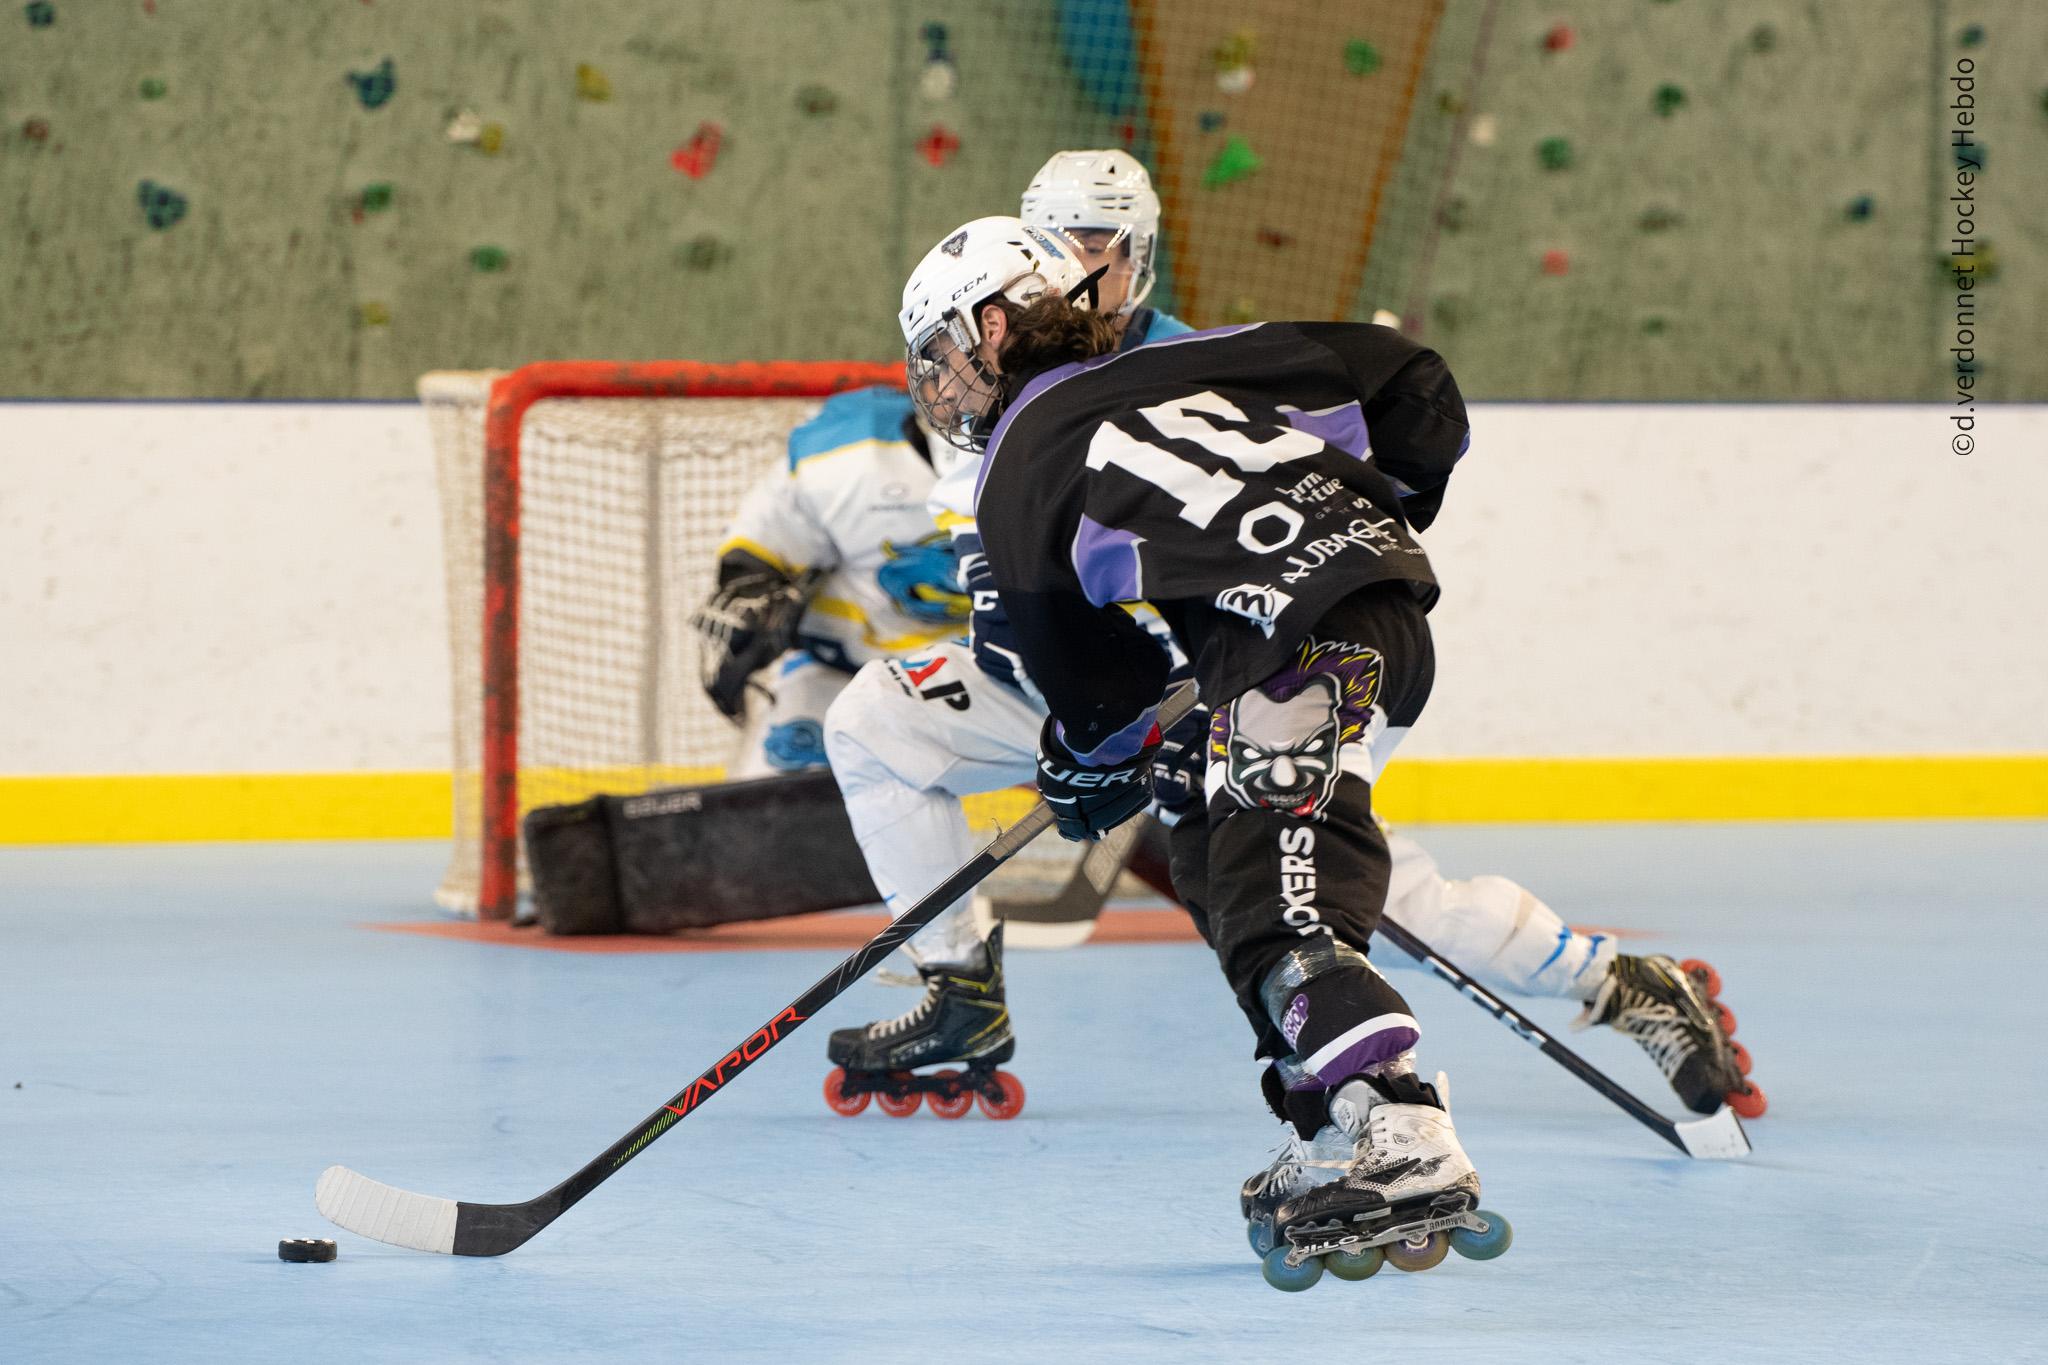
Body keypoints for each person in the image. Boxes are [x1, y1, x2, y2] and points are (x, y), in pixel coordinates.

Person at [691, 388, 970, 778]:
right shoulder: (844, 456)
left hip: (1006, 671)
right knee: (770, 796)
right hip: (842, 673)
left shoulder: (1059, 453)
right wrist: (757, 598)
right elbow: (757, 552)